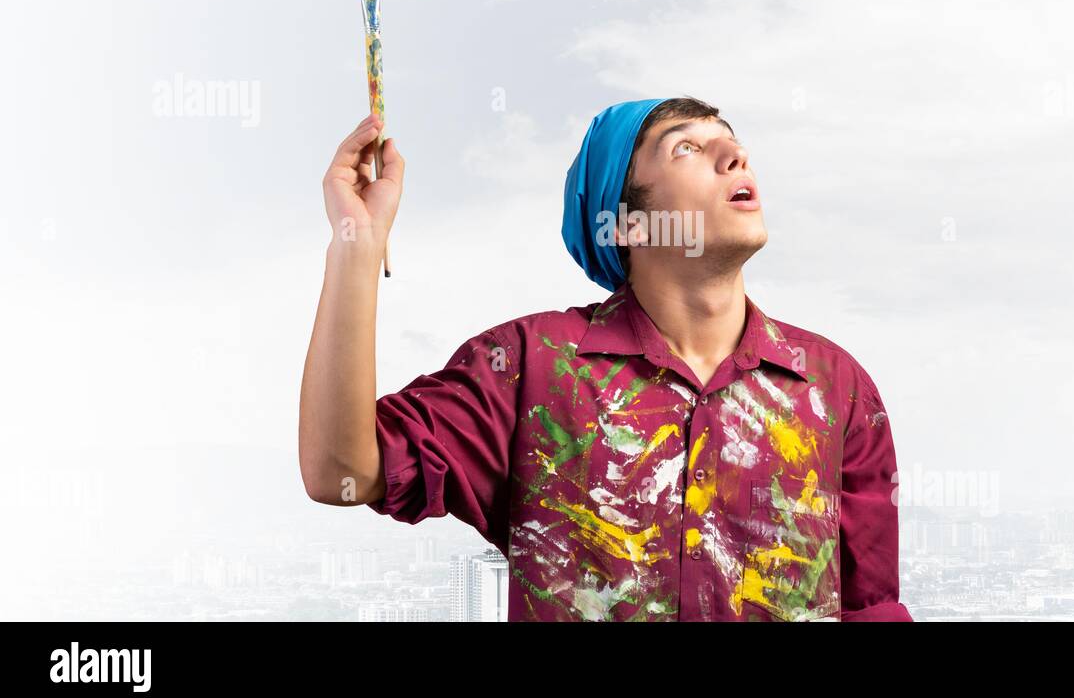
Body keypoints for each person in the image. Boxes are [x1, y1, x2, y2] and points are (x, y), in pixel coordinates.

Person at [299, 96, 911, 622]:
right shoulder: (528, 368)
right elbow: (341, 472)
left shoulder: (836, 387)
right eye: (686, 149)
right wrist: (357, 244)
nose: (734, 156)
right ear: (627, 225)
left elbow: (872, 607)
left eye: (732, 144)